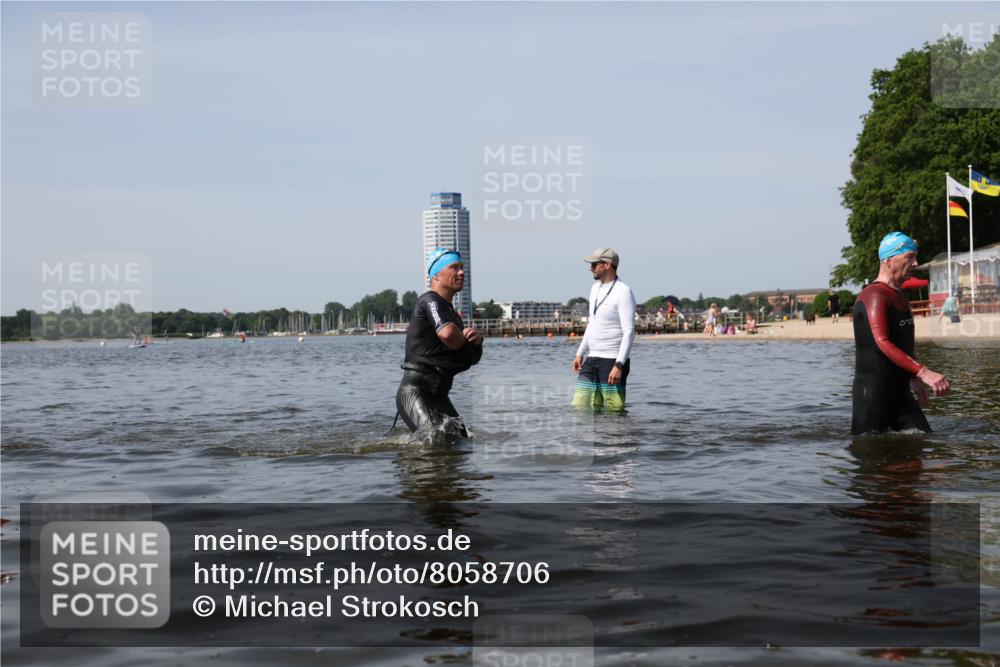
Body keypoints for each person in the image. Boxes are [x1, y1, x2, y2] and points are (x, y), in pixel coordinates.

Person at [851, 232, 950, 435]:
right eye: (909, 257)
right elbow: (882, 342)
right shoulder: (874, 295)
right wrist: (924, 372)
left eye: (915, 257)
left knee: (925, 441)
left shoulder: (899, 294)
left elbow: (903, 340)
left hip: (900, 394)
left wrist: (913, 378)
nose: (916, 263)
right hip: (873, 396)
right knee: (874, 457)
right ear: (889, 261)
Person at [395, 248, 483, 440]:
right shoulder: (430, 300)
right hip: (416, 391)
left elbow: (470, 359)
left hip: (439, 395)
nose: (461, 272)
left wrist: (476, 342)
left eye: (462, 267)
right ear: (436, 274)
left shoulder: (451, 313)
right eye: (454, 267)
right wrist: (462, 339)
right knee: (436, 444)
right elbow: (449, 335)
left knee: (463, 443)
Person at [571, 247, 637, 412]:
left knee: (613, 411)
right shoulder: (595, 289)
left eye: (594, 264)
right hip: (592, 358)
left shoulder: (623, 292)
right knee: (580, 407)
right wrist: (580, 353)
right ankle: (591, 439)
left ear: (607, 265)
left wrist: (619, 365)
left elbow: (629, 331)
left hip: (612, 360)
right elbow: (592, 324)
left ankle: (615, 438)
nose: (590, 268)